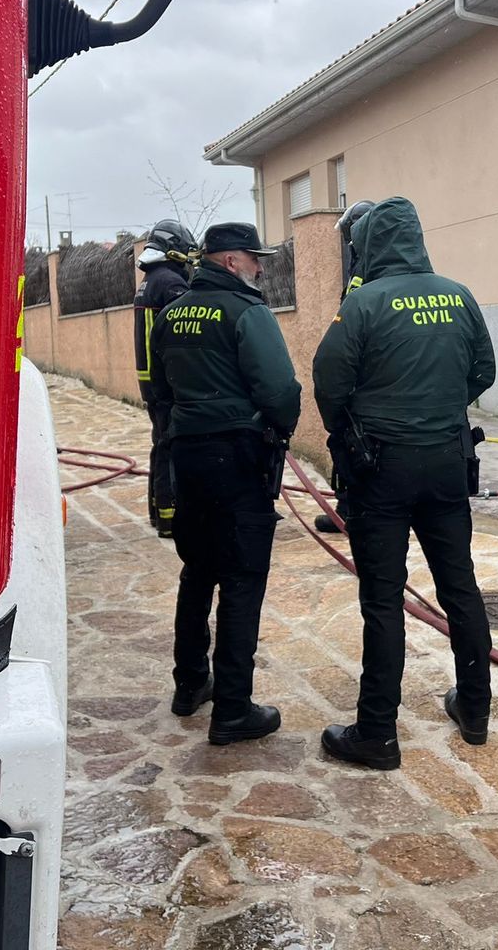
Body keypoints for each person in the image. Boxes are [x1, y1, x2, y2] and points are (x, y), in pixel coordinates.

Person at [311, 197, 497, 769]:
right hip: (446, 462)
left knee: (383, 600)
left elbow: (328, 380)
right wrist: (440, 410)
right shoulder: (458, 295)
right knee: (460, 588)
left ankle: (377, 734)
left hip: (381, 470)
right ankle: (474, 709)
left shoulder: (362, 303)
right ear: (416, 237)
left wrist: (356, 427)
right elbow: (484, 370)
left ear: (368, 244)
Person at [153, 222, 301, 744]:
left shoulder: (170, 314)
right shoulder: (246, 312)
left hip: (188, 453)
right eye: (253, 258)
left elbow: (162, 387)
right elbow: (280, 388)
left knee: (198, 571)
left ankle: (190, 684)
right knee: (241, 578)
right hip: (238, 455)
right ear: (231, 260)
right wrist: (280, 428)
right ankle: (233, 709)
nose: (260, 266)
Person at [315, 199, 374, 535]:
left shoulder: (363, 269)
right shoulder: (370, 262)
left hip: (362, 378)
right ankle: (350, 508)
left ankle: (350, 512)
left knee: (350, 442)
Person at [133, 218, 196, 536]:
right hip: (167, 384)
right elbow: (182, 333)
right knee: (171, 446)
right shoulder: (171, 283)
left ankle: (159, 512)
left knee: (160, 445)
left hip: (151, 383)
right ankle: (171, 517)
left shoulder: (150, 280)